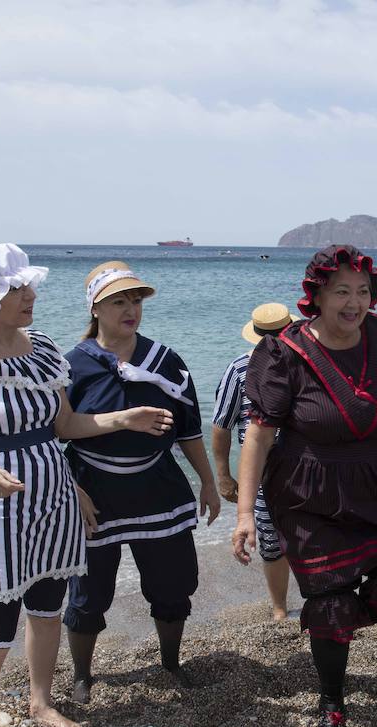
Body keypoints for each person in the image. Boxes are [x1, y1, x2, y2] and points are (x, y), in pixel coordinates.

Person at [0, 243, 171, 727]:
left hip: (53, 497)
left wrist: (123, 418)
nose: (30, 296)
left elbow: (65, 427)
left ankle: (40, 702)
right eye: (17, 289)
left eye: (29, 286)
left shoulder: (42, 349)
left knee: (46, 609)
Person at [230, 244, 377, 727]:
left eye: (363, 291)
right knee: (329, 600)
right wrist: (244, 513)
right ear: (317, 296)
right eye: (342, 292)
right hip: (309, 489)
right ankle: (332, 698)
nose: (354, 302)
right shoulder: (284, 351)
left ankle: (338, 616)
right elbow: (258, 436)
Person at [61, 260, 221, 701]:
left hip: (158, 487)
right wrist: (72, 490)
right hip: (93, 491)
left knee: (172, 586)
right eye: (118, 302)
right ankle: (82, 675)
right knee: (88, 593)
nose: (130, 309)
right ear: (95, 309)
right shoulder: (71, 365)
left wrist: (208, 482)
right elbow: (53, 434)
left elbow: (188, 430)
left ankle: (171, 664)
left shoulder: (166, 361)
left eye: (135, 301)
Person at [213, 302, 297, 622]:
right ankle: (279, 609)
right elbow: (221, 425)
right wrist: (223, 476)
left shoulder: (304, 364)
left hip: (304, 469)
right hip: (262, 474)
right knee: (272, 544)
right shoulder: (239, 370)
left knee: (310, 538)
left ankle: (312, 602)